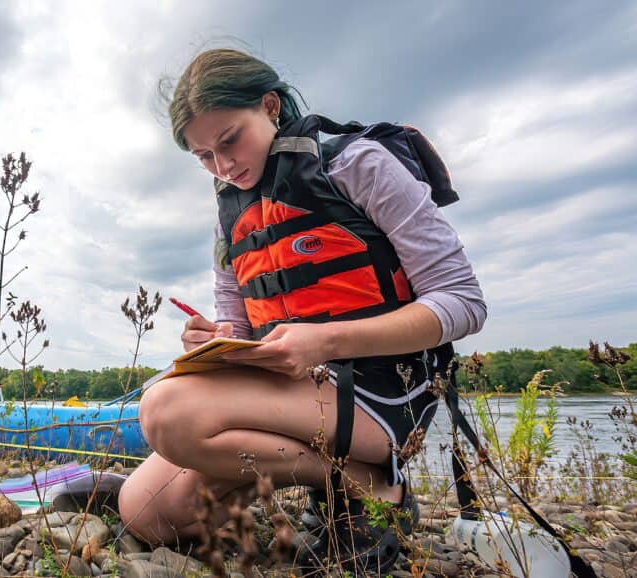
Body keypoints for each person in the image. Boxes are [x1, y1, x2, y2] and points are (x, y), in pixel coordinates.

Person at [118, 48, 486, 573]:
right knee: (150, 512)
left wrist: (326, 342)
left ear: (269, 107)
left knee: (165, 410)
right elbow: (239, 323)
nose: (222, 166)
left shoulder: (356, 163)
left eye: (229, 140)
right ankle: (336, 483)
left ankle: (377, 488)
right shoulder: (229, 216)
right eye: (204, 157)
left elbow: (464, 301)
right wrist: (216, 339)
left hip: (382, 394)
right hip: (292, 392)